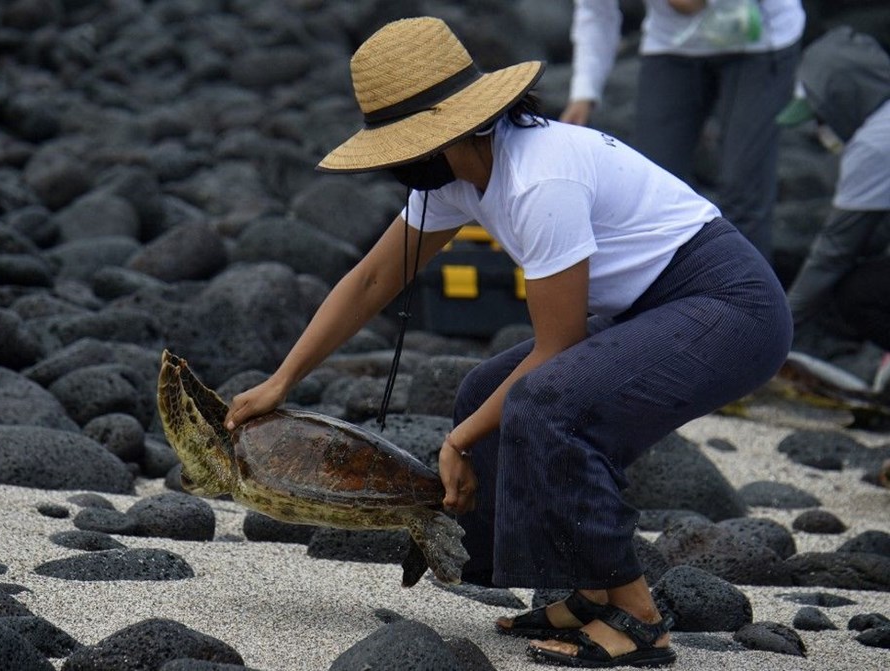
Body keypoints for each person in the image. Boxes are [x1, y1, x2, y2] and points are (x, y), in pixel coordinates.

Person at [223, 16, 793, 668]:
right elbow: (375, 277)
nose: (400, 166)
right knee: (480, 391)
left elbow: (557, 350)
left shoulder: (537, 181)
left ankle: (637, 616)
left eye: (404, 149)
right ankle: (585, 591)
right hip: (660, 303)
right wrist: (283, 379)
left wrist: (457, 441)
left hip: (730, 307)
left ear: (450, 133)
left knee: (547, 402)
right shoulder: (464, 172)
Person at [562, 0, 805, 264]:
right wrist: (584, 93)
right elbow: (596, 11)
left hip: (761, 37)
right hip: (671, 44)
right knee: (650, 192)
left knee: (744, 193)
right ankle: (669, 298)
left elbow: (689, 4)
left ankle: (749, 300)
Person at [778, 26, 890, 389]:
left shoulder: (874, 145)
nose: (821, 130)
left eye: (822, 117)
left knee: (856, 291)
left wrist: (771, 333)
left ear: (844, 97)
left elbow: (831, 255)